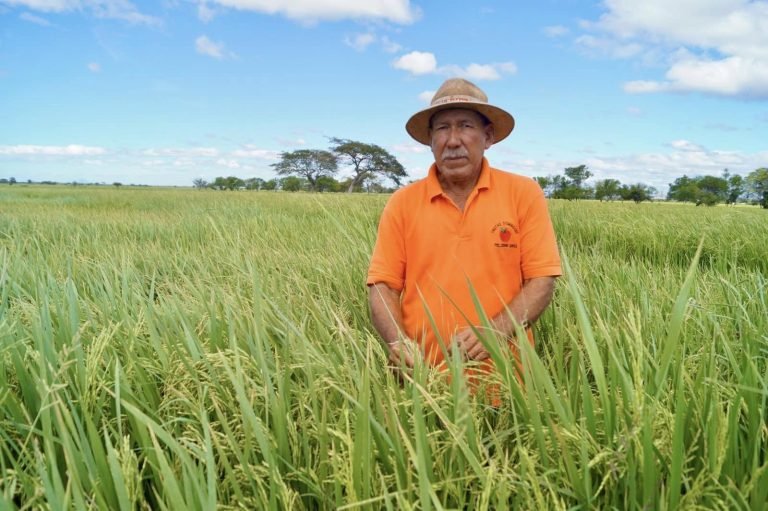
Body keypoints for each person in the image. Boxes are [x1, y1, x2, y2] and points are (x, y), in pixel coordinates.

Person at [366, 77, 562, 384]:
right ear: (430, 139)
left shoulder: (523, 193)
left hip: (508, 385)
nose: (453, 140)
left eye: (465, 126)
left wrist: (496, 330)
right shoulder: (403, 202)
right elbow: (383, 285)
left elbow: (542, 279)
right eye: (442, 128)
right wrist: (397, 342)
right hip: (424, 384)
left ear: (488, 136)